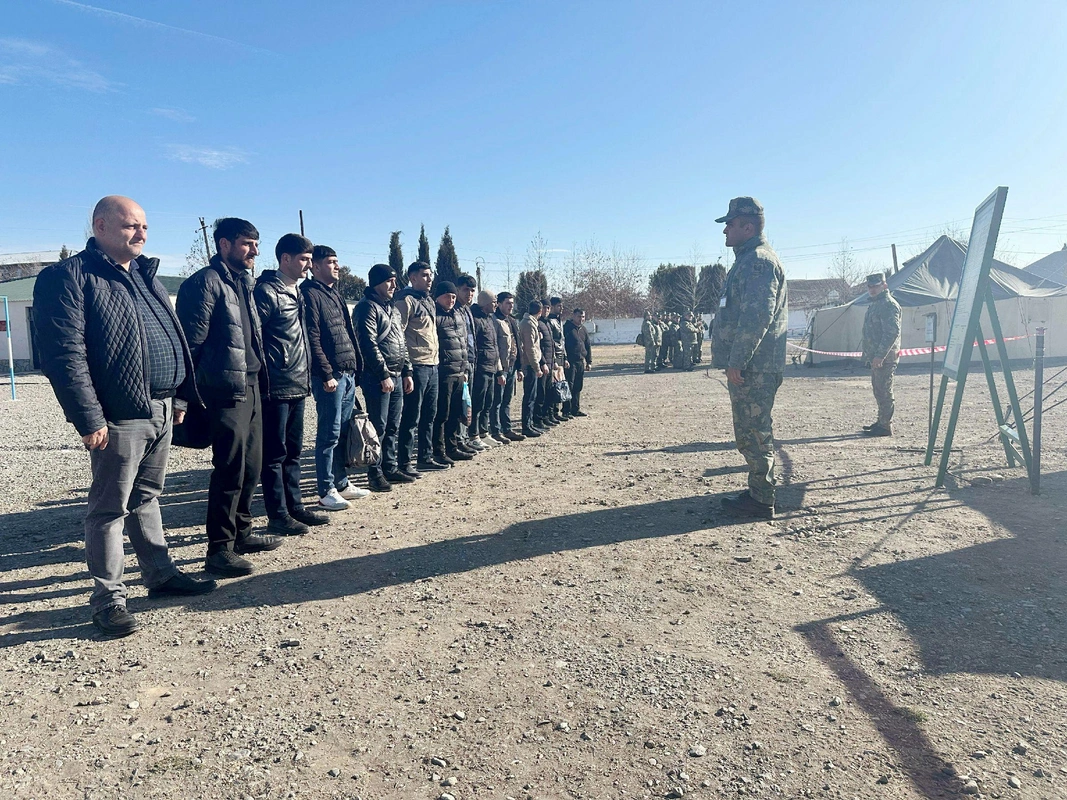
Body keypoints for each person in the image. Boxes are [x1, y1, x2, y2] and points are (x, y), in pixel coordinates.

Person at [33, 196, 215, 637]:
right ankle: (108, 600)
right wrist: (88, 417)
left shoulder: (145, 277)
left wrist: (181, 398)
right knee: (109, 509)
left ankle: (159, 575)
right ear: (100, 226)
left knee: (147, 496)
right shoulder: (67, 278)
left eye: (145, 227)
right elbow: (65, 355)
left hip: (162, 407)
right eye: (132, 226)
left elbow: (172, 338)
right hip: (119, 415)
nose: (142, 234)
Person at [178, 217, 283, 578]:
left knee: (251, 465)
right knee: (230, 467)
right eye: (247, 243)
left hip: (251, 385)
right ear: (224, 244)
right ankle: (219, 548)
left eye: (256, 243)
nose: (255, 250)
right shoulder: (205, 283)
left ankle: (243, 532)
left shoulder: (243, 283)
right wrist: (184, 397)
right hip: (224, 391)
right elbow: (190, 344)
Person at [711, 197, 788, 520]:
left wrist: (738, 359)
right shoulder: (746, 260)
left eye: (730, 223)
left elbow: (758, 316)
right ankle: (758, 490)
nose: (725, 230)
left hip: (755, 366)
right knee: (749, 431)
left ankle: (762, 499)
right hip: (751, 364)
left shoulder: (758, 261)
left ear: (748, 226)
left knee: (755, 432)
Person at [254, 234, 327, 536]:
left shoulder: (296, 293)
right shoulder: (267, 292)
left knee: (294, 450)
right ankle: (278, 514)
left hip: (298, 381)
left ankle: (295, 506)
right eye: (304, 259)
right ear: (285, 259)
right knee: (274, 453)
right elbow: (254, 337)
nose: (309, 266)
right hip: (276, 383)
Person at [302, 245, 370, 510]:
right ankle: (325, 489)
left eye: (337, 261)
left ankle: (341, 483)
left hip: (348, 374)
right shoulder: (310, 295)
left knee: (343, 432)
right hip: (331, 378)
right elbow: (313, 337)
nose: (337, 266)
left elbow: (349, 334)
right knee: (328, 434)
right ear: (315, 267)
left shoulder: (335, 295)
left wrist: (357, 368)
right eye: (331, 262)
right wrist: (326, 373)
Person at [354, 264, 413, 491]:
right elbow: (368, 344)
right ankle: (375, 472)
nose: (393, 285)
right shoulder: (366, 308)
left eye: (394, 280)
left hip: (397, 375)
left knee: (393, 425)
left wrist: (407, 371)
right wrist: (383, 374)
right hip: (378, 377)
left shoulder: (393, 309)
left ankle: (390, 466)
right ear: (376, 283)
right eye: (388, 280)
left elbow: (402, 342)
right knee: (377, 426)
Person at [396, 261, 448, 472]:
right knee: (411, 417)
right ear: (412, 278)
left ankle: (425, 458)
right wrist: (406, 367)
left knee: (430, 415)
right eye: (425, 276)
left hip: (432, 364)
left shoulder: (428, 301)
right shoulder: (405, 300)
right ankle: (405, 461)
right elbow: (398, 336)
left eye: (430, 275)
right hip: (416, 366)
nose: (429, 279)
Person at [432, 281, 471, 463]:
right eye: (448, 296)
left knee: (456, 412)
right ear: (438, 296)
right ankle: (439, 451)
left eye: (454, 296)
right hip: (444, 372)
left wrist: (465, 368)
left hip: (459, 370)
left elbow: (463, 342)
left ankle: (453, 446)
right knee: (442, 414)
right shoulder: (434, 314)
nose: (451, 300)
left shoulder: (458, 315)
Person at [860, 272, 902, 437]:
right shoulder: (876, 304)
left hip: (885, 357)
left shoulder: (888, 305)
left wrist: (880, 355)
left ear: (884, 286)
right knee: (878, 390)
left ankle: (885, 426)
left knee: (884, 390)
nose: (872, 290)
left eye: (875, 286)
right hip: (876, 356)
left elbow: (891, 332)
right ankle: (881, 421)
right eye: (870, 287)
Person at [471, 290, 506, 445]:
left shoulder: (490, 320)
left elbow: (494, 346)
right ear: (485, 303)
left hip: (492, 368)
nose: (495, 305)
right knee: (477, 404)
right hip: (481, 369)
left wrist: (499, 370)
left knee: (488, 403)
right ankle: (473, 435)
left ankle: (484, 433)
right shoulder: (476, 320)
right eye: (493, 302)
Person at [454, 275, 484, 451]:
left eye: (472, 290)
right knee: (460, 403)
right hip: (460, 364)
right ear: (458, 289)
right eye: (466, 289)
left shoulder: (467, 310)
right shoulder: (454, 309)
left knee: (468, 402)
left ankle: (464, 438)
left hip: (472, 360)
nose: (469, 294)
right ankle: (458, 440)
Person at [493, 292, 525, 442]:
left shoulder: (512, 321)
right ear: (498, 304)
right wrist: (500, 369)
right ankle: (496, 431)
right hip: (501, 368)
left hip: (512, 366)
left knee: (507, 400)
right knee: (497, 401)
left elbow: (517, 344)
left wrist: (519, 367)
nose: (511, 306)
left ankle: (507, 429)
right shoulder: (495, 320)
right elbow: (495, 346)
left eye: (512, 303)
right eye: (507, 303)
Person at [519, 300, 547, 437]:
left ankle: (530, 424)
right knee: (529, 397)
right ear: (540, 312)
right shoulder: (529, 324)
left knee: (532, 396)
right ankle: (526, 426)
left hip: (531, 364)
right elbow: (530, 348)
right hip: (530, 365)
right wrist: (537, 367)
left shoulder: (529, 323)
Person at [563, 307, 592, 416]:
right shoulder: (566, 328)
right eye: (579, 316)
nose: (581, 319)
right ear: (573, 316)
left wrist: (589, 361)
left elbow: (588, 345)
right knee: (569, 385)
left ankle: (575, 409)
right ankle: (566, 410)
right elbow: (562, 345)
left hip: (580, 361)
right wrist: (565, 359)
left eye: (583, 316)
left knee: (578, 386)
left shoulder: (583, 329)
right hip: (570, 362)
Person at [536, 301, 559, 428]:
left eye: (549, 308)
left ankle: (548, 415)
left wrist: (554, 361)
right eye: (544, 308)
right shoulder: (537, 324)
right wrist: (543, 362)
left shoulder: (547, 323)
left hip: (550, 363)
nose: (547, 310)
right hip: (542, 364)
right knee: (541, 393)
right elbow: (538, 347)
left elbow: (552, 345)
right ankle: (539, 419)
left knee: (549, 392)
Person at [547, 298, 570, 420]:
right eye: (559, 306)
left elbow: (562, 340)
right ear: (552, 306)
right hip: (554, 356)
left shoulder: (559, 320)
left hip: (561, 355)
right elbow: (552, 342)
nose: (561, 308)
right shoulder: (550, 321)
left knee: (560, 384)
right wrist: (555, 359)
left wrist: (565, 357)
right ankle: (552, 413)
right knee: (554, 385)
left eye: (562, 306)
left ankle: (557, 411)